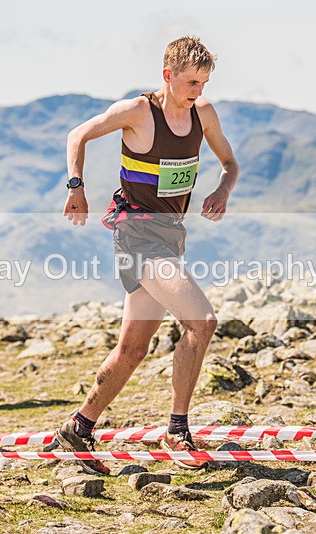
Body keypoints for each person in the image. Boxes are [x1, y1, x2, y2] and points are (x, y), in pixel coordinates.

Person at [56, 36, 239, 475]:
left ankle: (78, 427)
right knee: (202, 321)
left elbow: (230, 163)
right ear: (167, 75)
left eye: (204, 81)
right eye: (191, 81)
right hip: (136, 235)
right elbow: (77, 134)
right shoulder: (138, 112)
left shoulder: (204, 114)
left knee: (133, 349)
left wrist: (221, 190)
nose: (198, 89)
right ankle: (177, 429)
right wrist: (76, 187)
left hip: (171, 235)